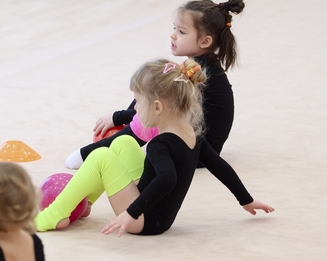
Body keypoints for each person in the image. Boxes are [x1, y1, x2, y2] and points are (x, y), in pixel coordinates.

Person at [37, 58, 274, 236]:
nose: (135, 110)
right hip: (156, 216)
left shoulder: (159, 144)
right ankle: (86, 203)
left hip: (145, 221)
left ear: (158, 108)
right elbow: (220, 167)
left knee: (100, 156)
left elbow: (167, 178)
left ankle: (50, 217)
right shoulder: (191, 133)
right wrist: (246, 199)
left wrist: (131, 214)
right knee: (124, 141)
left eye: (138, 102)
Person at [66, 0, 245, 169]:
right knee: (152, 85)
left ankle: (92, 153)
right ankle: (122, 137)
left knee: (156, 100)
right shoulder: (200, 66)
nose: (173, 35)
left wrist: (117, 117)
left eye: (182, 32)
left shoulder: (199, 71)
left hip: (198, 154)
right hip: (200, 147)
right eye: (174, 28)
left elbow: (156, 107)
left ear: (205, 41)